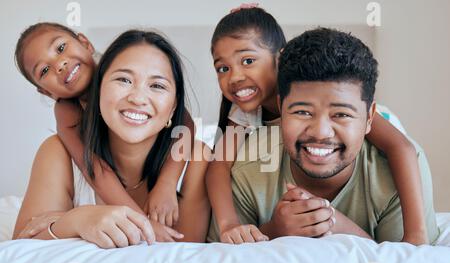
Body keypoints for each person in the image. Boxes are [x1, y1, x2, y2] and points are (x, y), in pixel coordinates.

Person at [207, 7, 430, 245]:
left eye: (248, 60)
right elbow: (218, 165)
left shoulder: (332, 96)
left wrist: (416, 234)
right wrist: (229, 224)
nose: (235, 77)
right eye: (223, 68)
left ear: (279, 58)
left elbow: (402, 147)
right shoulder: (243, 117)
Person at [13, 30, 211, 247]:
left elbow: (186, 125)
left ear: (85, 43)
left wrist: (166, 183)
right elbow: (96, 170)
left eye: (61, 48)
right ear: (45, 92)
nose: (59, 65)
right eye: (44, 70)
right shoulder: (65, 119)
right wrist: (79, 219)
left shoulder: (196, 160)